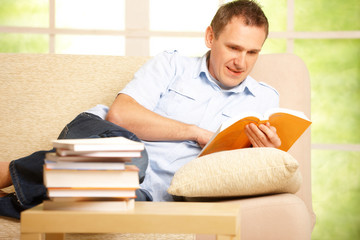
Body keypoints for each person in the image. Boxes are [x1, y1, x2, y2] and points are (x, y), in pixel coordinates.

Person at [0, 0, 281, 219]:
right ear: (210, 37)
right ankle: (8, 173)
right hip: (99, 136)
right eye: (233, 47)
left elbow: (248, 171)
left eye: (252, 52)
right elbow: (120, 115)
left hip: (145, 192)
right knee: (133, 161)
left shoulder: (263, 100)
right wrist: (195, 133)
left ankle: (12, 198)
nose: (241, 62)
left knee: (105, 194)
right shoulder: (171, 65)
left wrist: (267, 153)